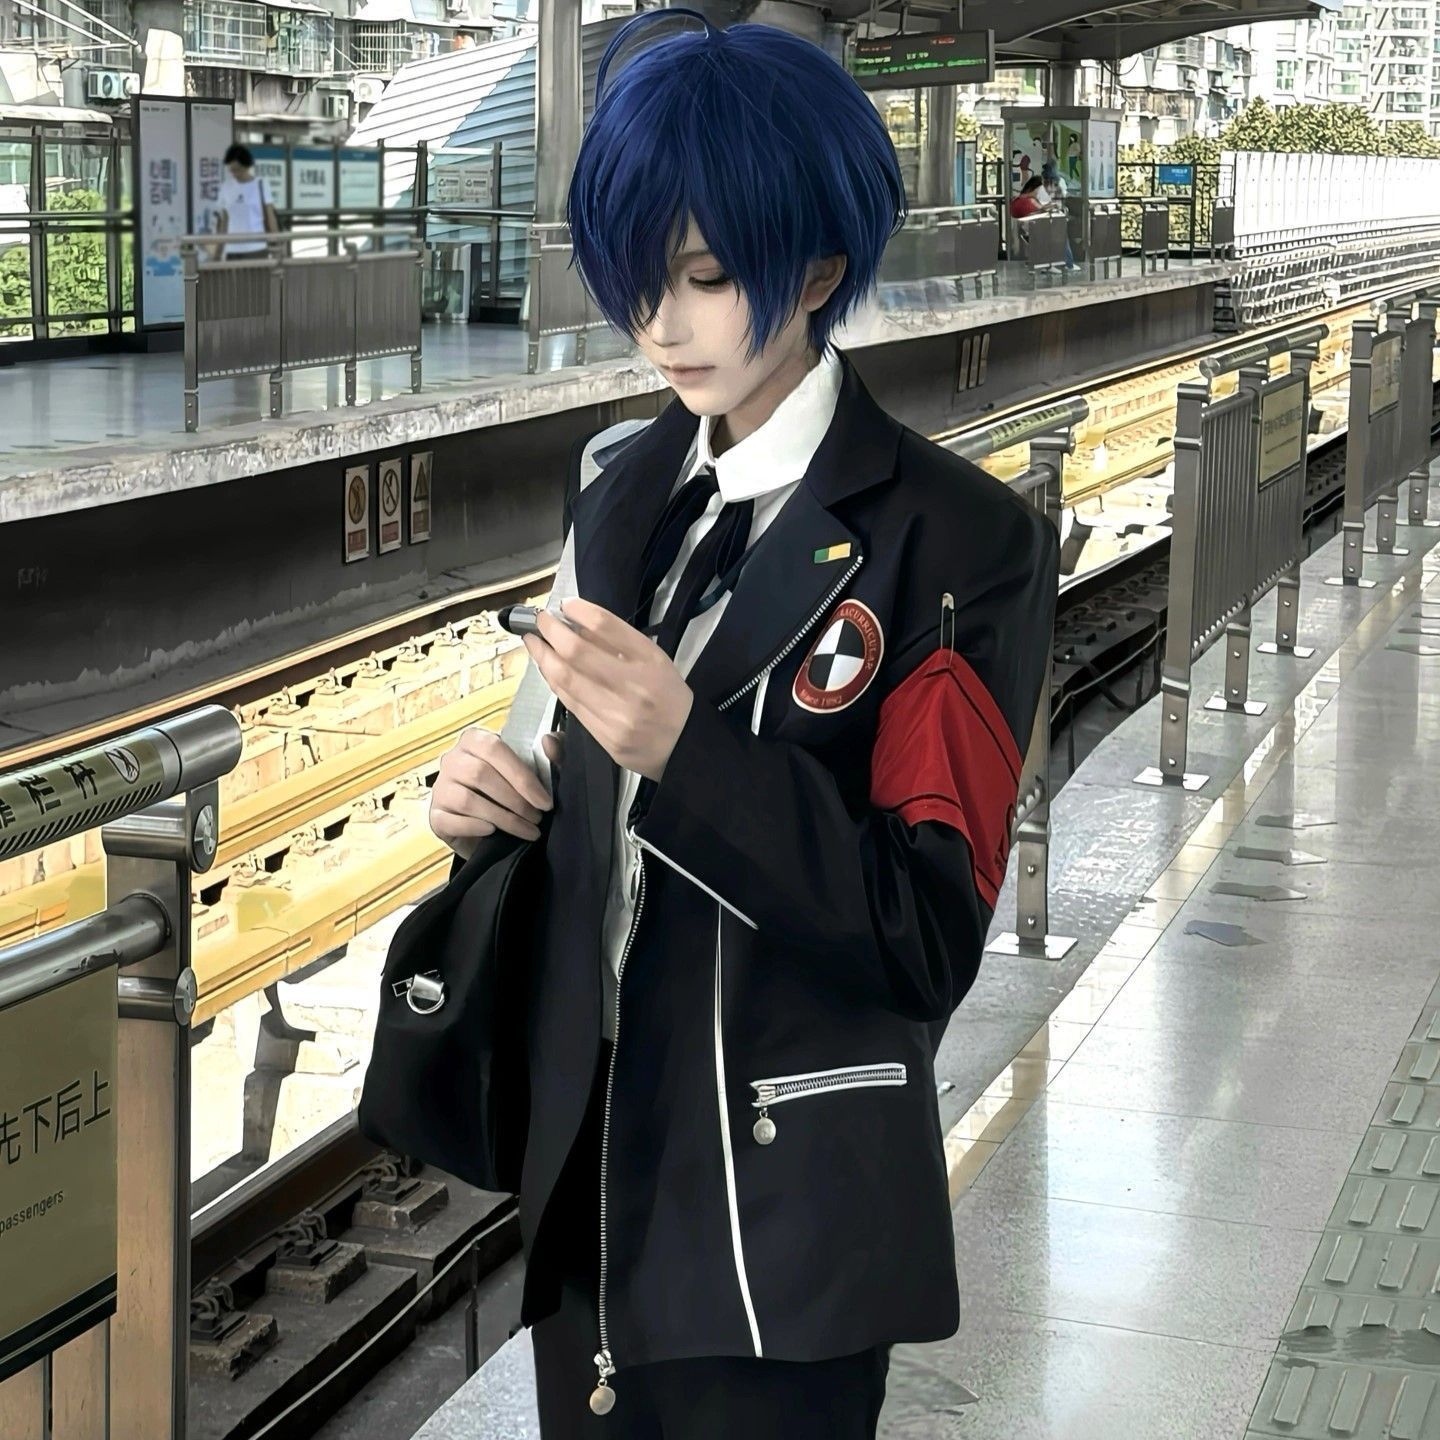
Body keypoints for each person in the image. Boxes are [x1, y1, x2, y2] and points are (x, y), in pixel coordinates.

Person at [426, 10, 1057, 1438]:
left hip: (786, 1237)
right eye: (638, 277)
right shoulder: (621, 490)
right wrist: (487, 814)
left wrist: (685, 755)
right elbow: (573, 803)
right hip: (594, 1204)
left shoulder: (956, 545)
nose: (662, 324)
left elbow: (923, 936)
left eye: (707, 278)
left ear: (818, 268)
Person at [214, 143, 278, 259]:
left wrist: (277, 246)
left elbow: (270, 217)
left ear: (247, 166)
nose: (235, 174)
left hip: (257, 248)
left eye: (238, 170)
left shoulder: (261, 184)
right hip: (232, 249)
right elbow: (224, 223)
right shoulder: (226, 187)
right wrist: (217, 253)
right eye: (232, 170)